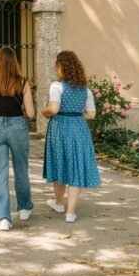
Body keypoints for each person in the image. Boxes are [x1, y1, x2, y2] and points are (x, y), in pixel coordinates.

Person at [0, 47, 36, 231]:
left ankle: (3, 217)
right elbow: (31, 113)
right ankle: (25, 207)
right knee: (21, 168)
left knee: (0, 172)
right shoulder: (23, 83)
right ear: (15, 63)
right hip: (18, 126)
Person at [41, 50, 100, 223]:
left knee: (59, 163)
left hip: (59, 127)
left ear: (61, 67)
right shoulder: (85, 90)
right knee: (75, 166)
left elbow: (53, 109)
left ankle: (59, 202)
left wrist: (43, 112)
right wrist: (76, 114)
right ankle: (71, 212)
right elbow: (91, 114)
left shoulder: (57, 86)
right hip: (79, 128)